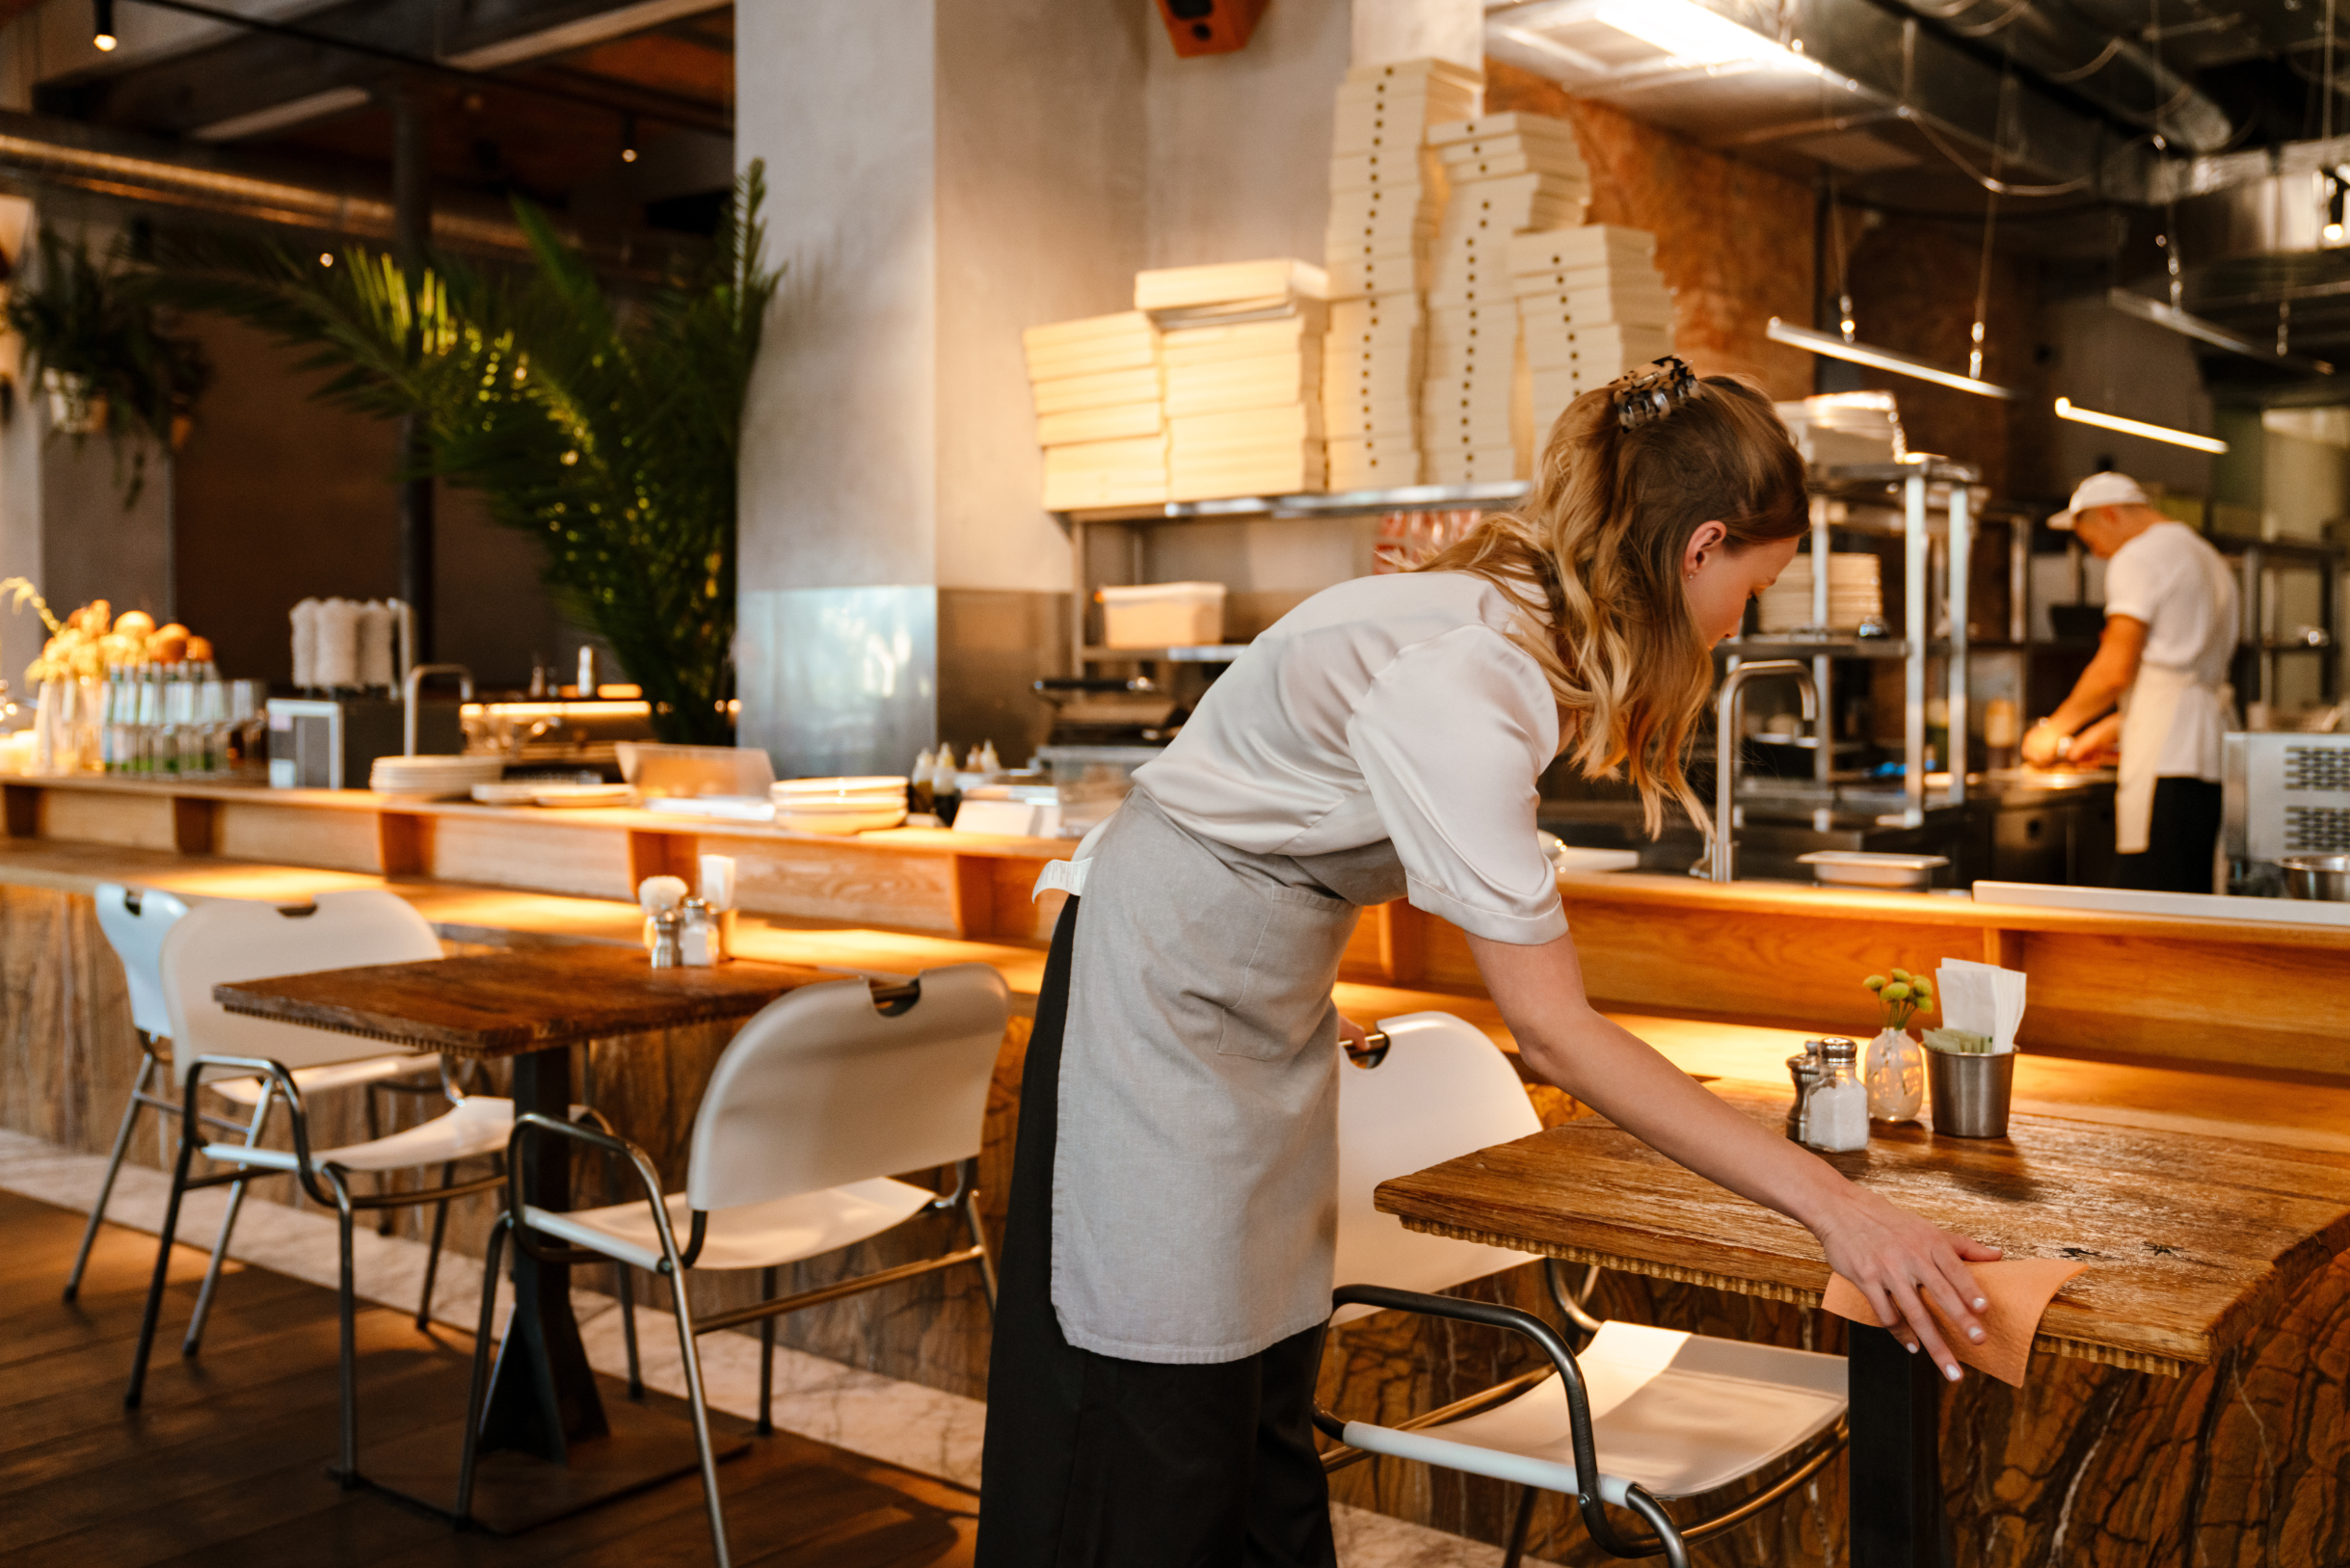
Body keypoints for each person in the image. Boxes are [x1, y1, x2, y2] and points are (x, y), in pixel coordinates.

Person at [975, 361, 1999, 1568]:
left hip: (1253, 987)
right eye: (1752, 589)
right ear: (1697, 547)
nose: (1741, 625)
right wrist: (1841, 1212)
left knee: (1250, 1403)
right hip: (1154, 996)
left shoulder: (1525, 619)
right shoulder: (1472, 673)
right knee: (1148, 1413)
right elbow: (1554, 1034)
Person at [2022, 471, 2238, 893]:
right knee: (2190, 895)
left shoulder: (2138, 557)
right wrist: (2109, 728)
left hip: (2168, 758)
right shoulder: (2204, 555)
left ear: (2109, 513)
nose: (2099, 555)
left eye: (2091, 542)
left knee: (2153, 903)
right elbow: (2179, 671)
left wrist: (2054, 731)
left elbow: (2114, 668)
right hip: (2209, 750)